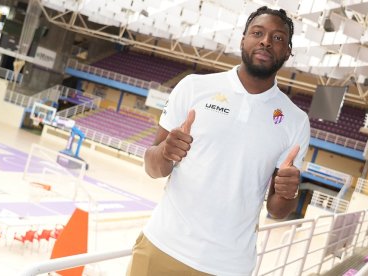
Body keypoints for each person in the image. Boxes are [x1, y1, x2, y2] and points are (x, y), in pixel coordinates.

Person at [127, 6, 310, 276]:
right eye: (257, 33)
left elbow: (278, 210)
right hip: (162, 247)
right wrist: (166, 153)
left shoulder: (295, 121)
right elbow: (152, 168)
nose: (266, 41)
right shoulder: (194, 87)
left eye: (278, 38)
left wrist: (287, 192)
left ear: (288, 51)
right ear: (243, 39)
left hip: (228, 267)